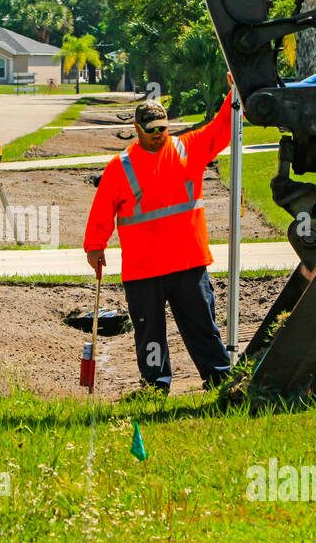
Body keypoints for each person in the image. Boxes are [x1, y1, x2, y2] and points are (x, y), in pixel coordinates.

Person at [83, 89, 235, 395]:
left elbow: (222, 128)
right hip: (144, 268)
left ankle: (220, 380)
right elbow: (102, 209)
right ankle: (154, 386)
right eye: (151, 130)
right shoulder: (120, 167)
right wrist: (95, 245)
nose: (158, 135)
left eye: (163, 128)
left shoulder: (187, 148)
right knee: (150, 333)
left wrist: (235, 93)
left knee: (201, 327)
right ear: (138, 129)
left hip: (187, 261)